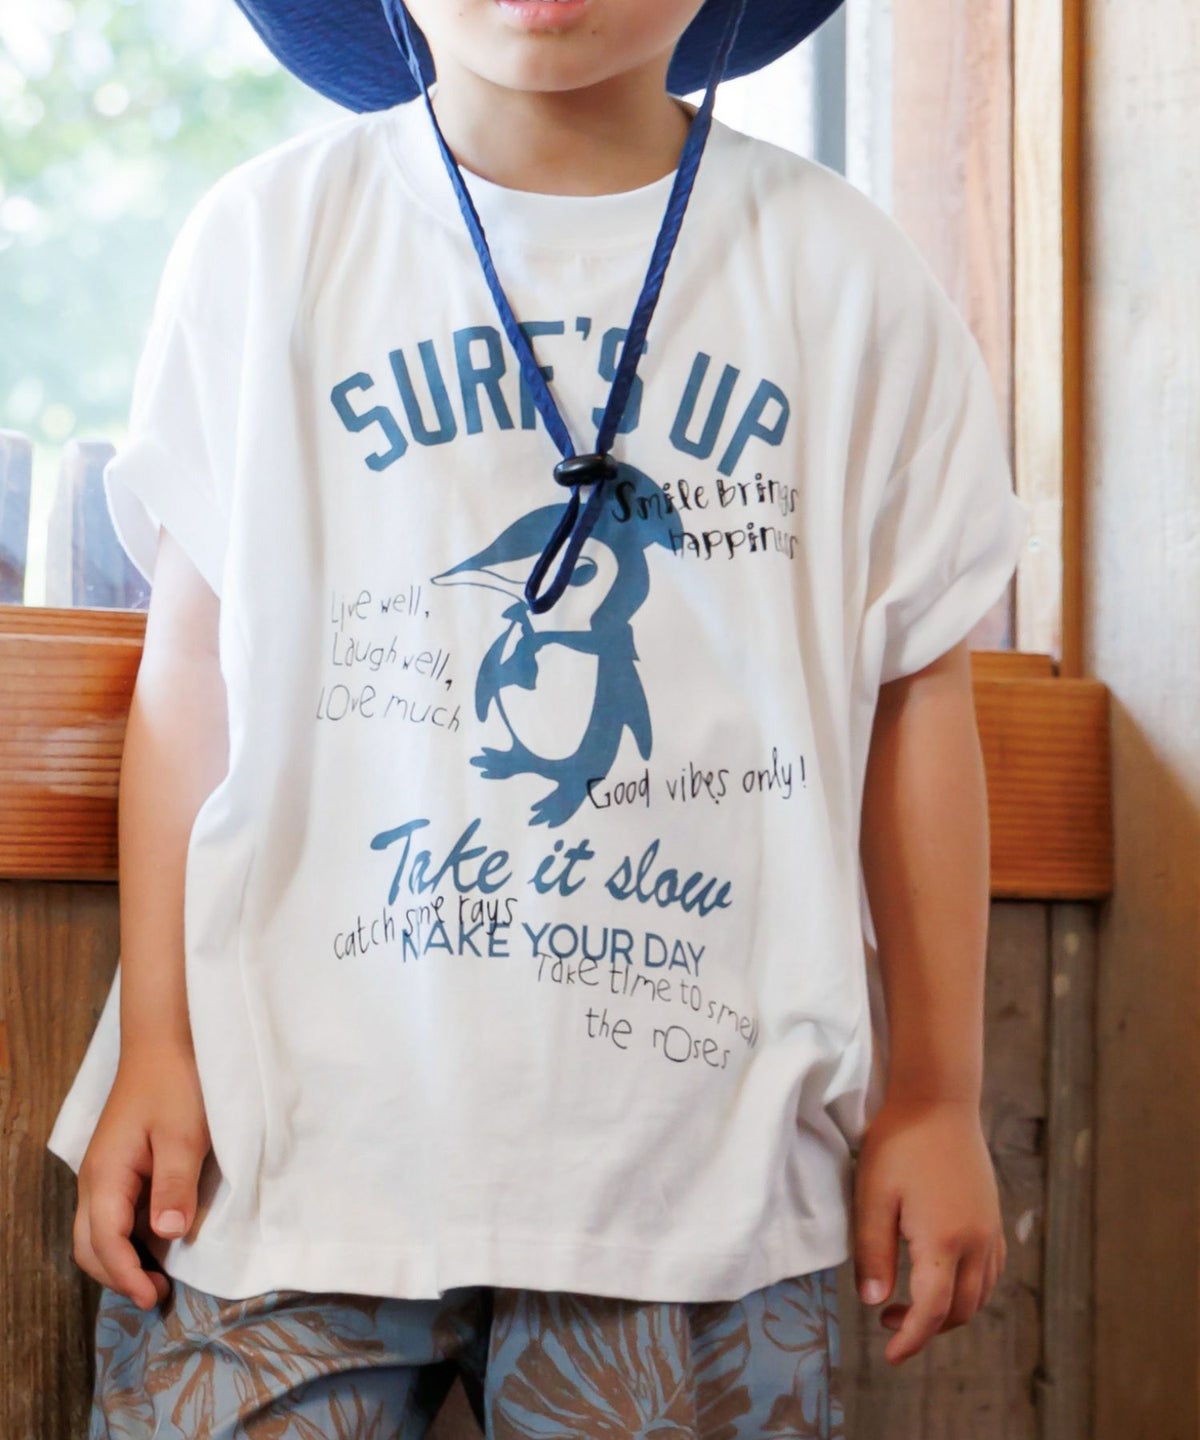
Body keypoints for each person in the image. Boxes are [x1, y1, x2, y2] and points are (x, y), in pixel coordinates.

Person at [47, 0, 1026, 1433]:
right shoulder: (266, 244)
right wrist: (161, 1044)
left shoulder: (849, 277)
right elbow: (191, 672)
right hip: (283, 1147)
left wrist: (935, 1096)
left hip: (702, 1176)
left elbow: (916, 688)